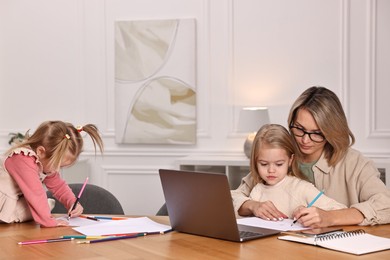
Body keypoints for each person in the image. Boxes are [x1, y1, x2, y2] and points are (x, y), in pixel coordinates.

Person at [232, 86, 390, 227]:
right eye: (299, 128)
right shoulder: (281, 156)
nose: (305, 140)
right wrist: (252, 205)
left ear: (331, 131)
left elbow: (386, 205)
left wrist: (331, 217)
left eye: (316, 133)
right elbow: (233, 197)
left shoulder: (354, 163)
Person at [231, 124, 346, 221]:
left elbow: (340, 210)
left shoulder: (301, 188)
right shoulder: (257, 190)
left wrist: (310, 212)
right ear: (255, 162)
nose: (271, 170)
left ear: (290, 160)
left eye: (279, 164)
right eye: (264, 164)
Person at [0, 121, 104, 227]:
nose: (57, 170)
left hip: (11, 201)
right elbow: (35, 194)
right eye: (56, 165)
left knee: (47, 205)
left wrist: (72, 203)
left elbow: (58, 186)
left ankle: (9, 216)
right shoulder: (23, 158)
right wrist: (49, 221)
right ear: (41, 151)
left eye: (61, 166)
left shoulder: (43, 162)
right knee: (41, 205)